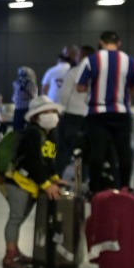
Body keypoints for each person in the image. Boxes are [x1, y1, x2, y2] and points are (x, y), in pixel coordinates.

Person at [1, 96, 63, 268]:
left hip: (32, 184)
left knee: (20, 218)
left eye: (53, 111)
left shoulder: (50, 134)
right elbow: (33, 161)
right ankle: (9, 255)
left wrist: (55, 178)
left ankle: (15, 250)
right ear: (36, 116)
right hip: (19, 182)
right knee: (15, 218)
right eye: (46, 112)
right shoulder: (32, 133)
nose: (51, 115)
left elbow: (49, 160)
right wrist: (46, 184)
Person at [76, 32, 134, 189]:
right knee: (124, 152)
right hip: (121, 112)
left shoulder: (91, 60)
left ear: (101, 42)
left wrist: (93, 87)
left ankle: (94, 189)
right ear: (119, 42)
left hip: (97, 113)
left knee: (97, 153)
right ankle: (125, 187)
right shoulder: (132, 62)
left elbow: (80, 86)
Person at [55, 45, 93, 175]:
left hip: (72, 115)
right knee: (88, 148)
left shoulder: (74, 72)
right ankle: (86, 177)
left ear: (82, 56)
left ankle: (57, 175)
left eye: (78, 55)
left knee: (64, 149)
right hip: (90, 115)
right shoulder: (97, 71)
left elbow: (64, 94)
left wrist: (62, 110)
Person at [12, 66, 39, 132]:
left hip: (18, 109)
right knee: (29, 129)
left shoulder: (16, 83)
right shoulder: (31, 83)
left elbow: (14, 98)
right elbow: (34, 95)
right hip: (28, 109)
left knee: (17, 129)